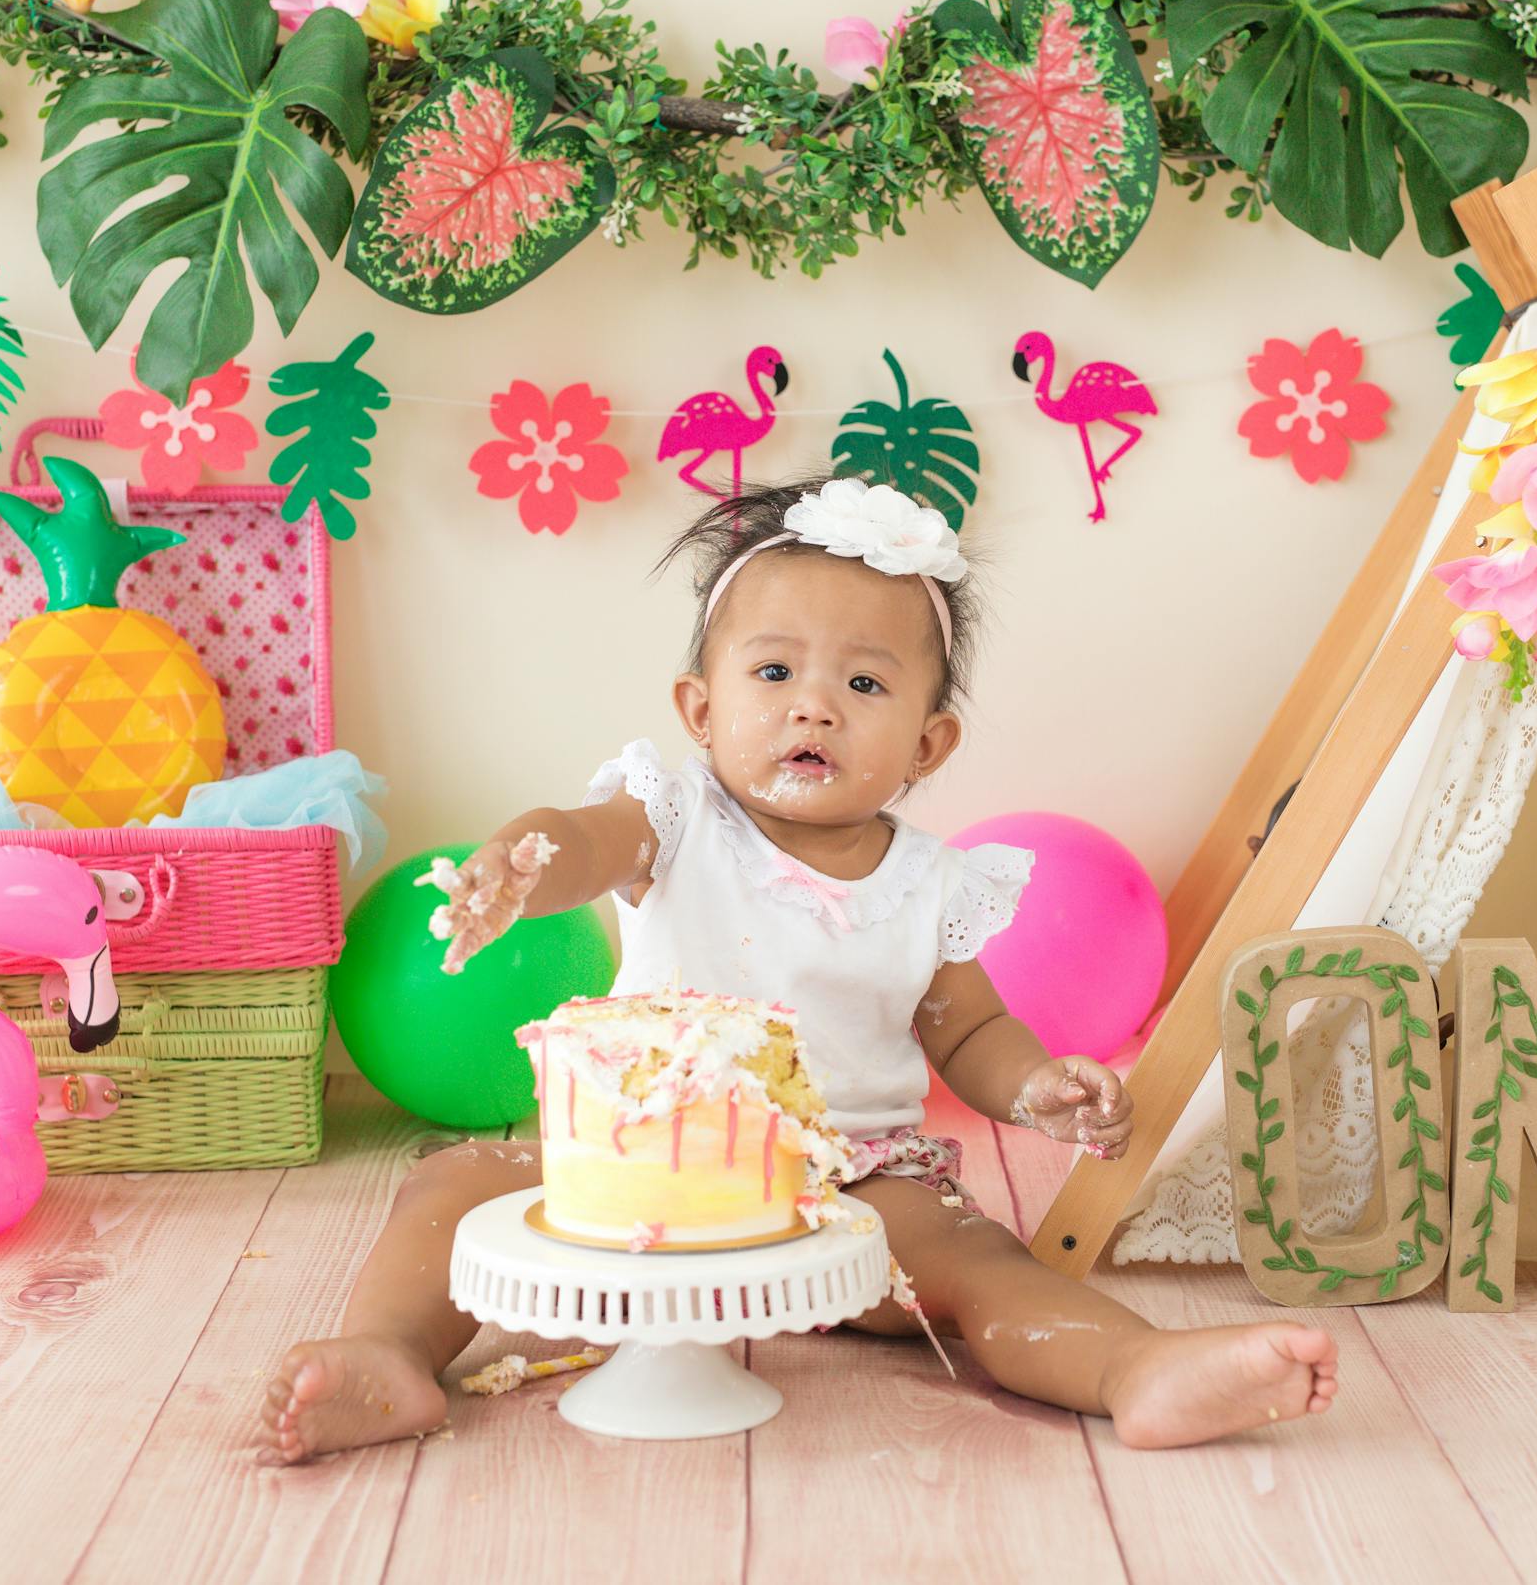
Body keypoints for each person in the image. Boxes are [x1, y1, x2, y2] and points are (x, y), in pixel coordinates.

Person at [262, 476, 1336, 1462]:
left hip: (844, 1187)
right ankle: (388, 1356)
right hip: (636, 1166)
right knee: (453, 1186)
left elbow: (968, 1030)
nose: (813, 706)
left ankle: (1133, 1368)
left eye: (864, 682)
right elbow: (587, 841)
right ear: (701, 709)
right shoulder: (675, 819)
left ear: (927, 745)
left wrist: (1033, 1083)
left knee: (983, 1262)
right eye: (774, 672)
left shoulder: (928, 885)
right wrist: (523, 860)